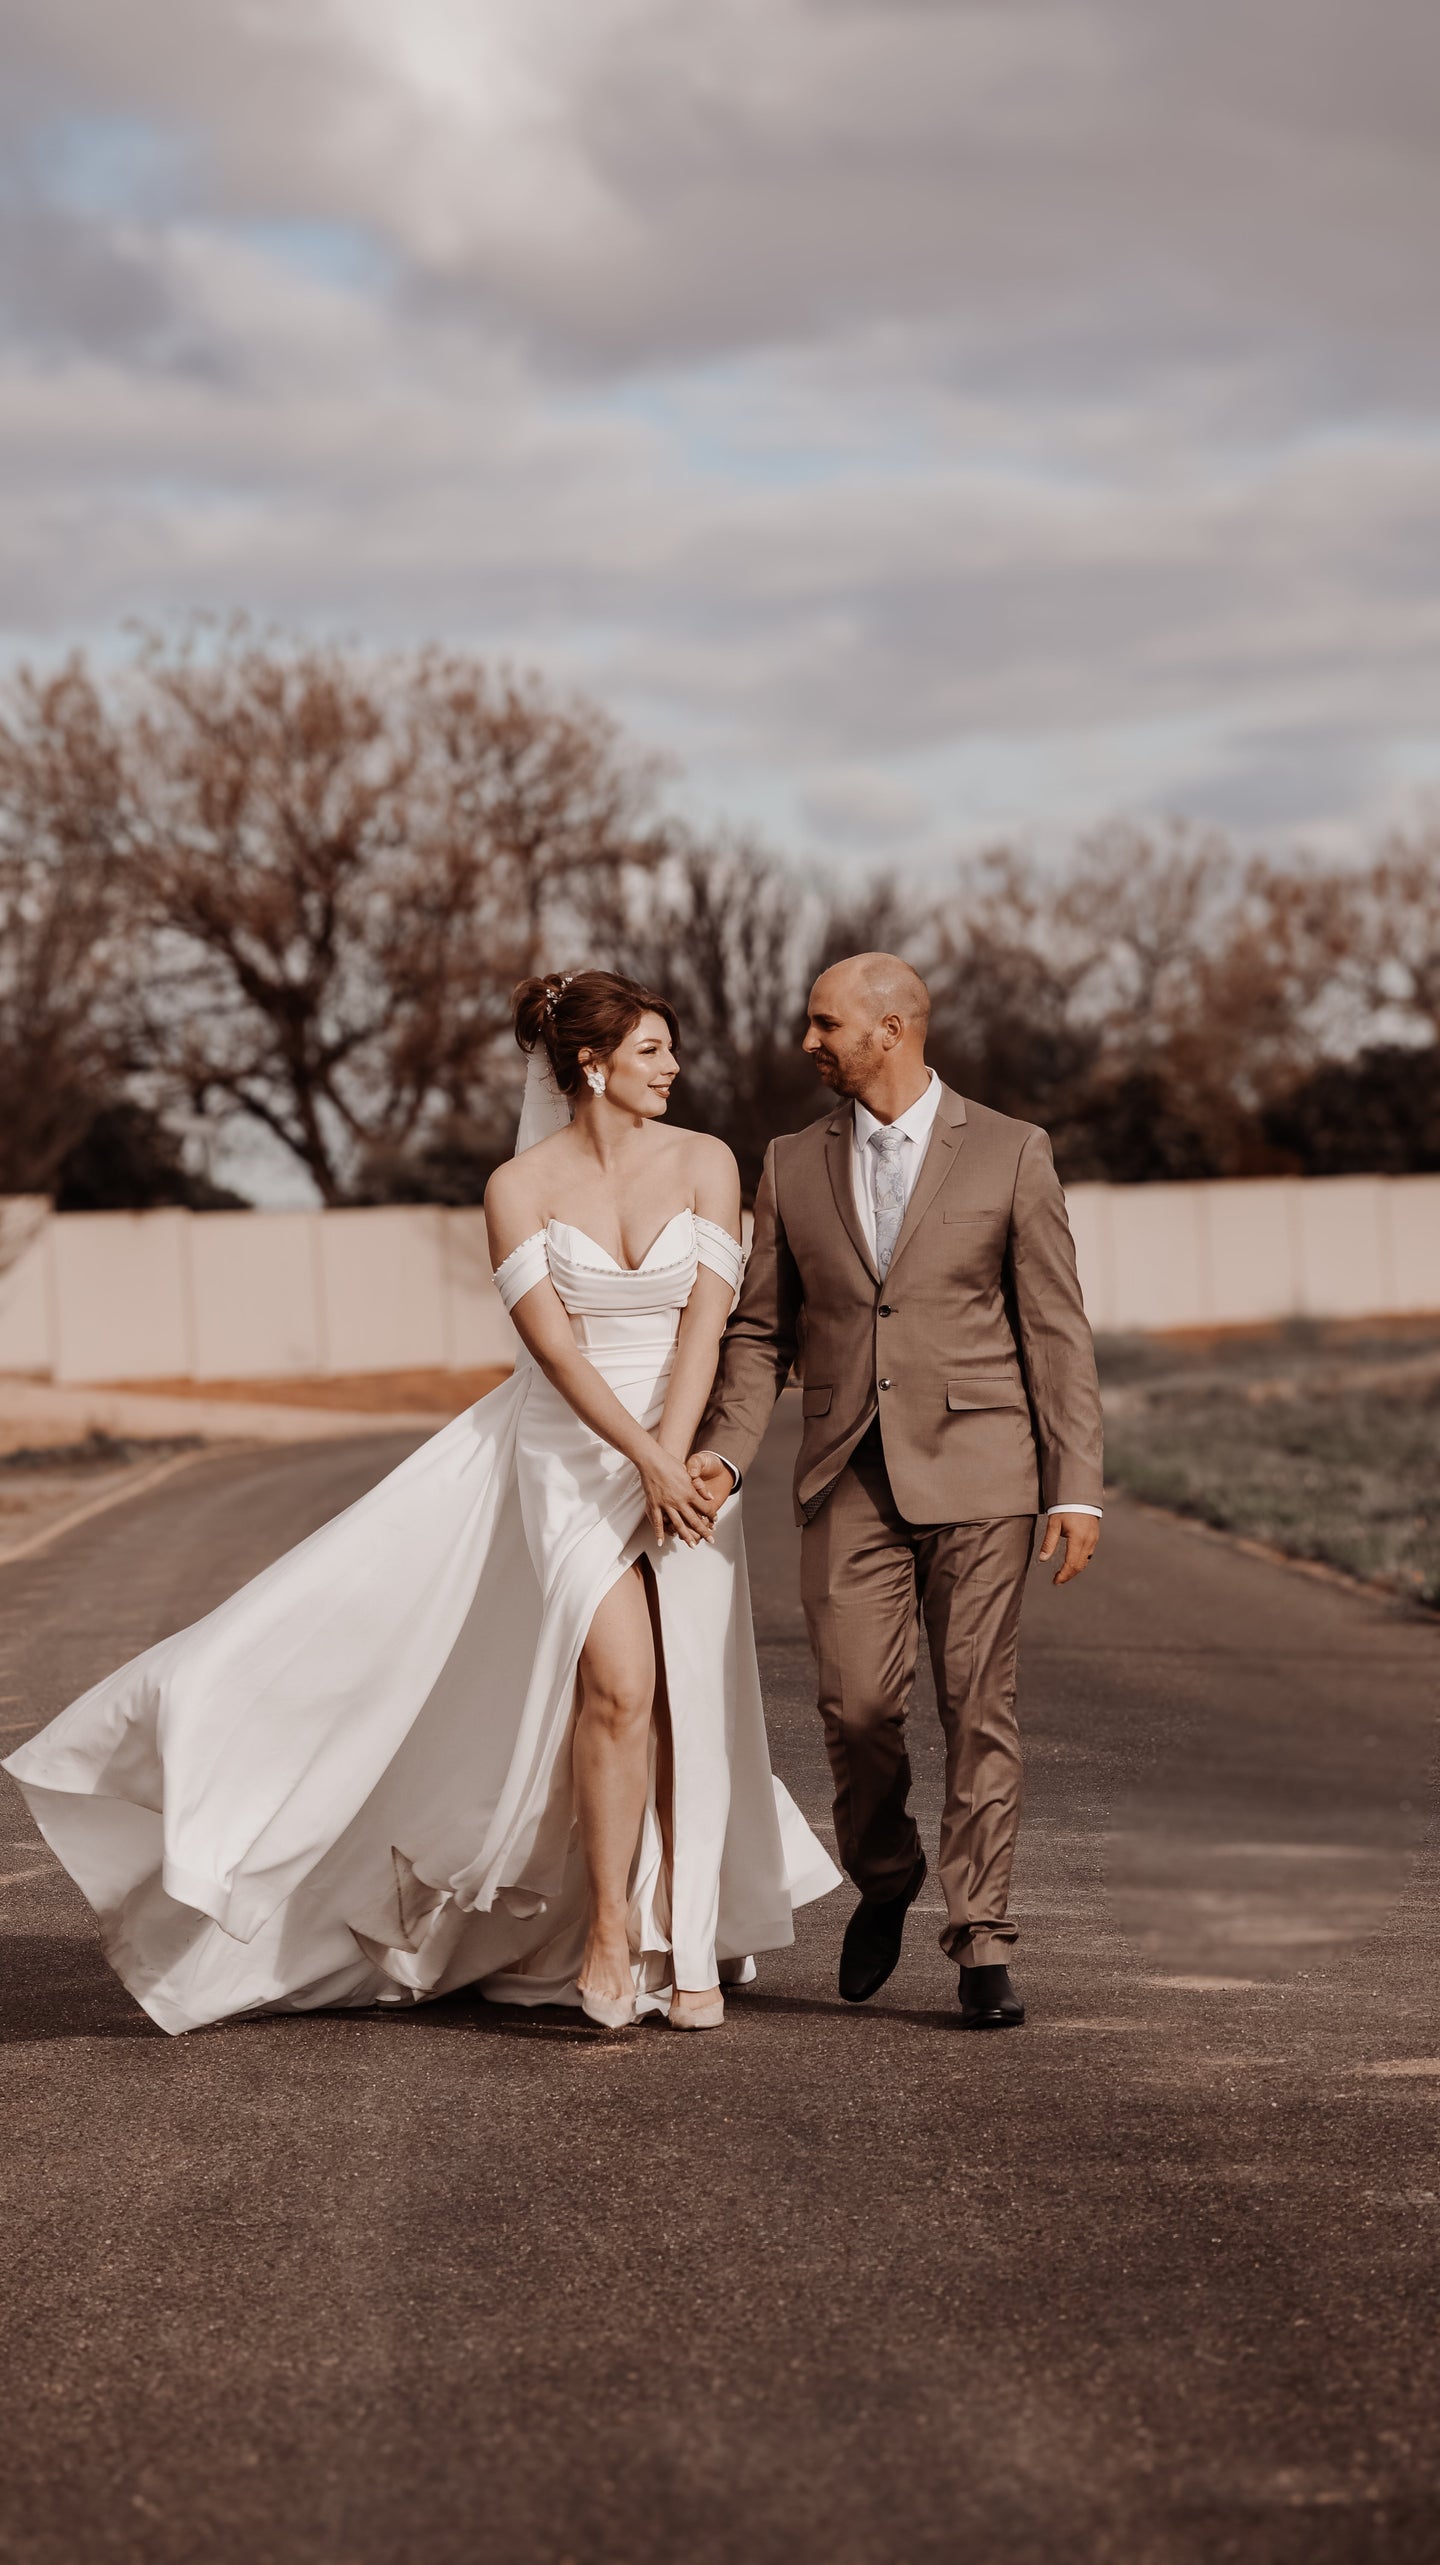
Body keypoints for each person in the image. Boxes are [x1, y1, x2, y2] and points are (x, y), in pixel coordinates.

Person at [2, 971, 839, 2037]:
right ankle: (610, 1934)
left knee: (691, 1694)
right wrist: (635, 1459)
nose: (673, 1069)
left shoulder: (709, 1163)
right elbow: (554, 1355)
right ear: (591, 1064)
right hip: (568, 1456)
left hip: (673, 1450)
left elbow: (708, 1328)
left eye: (670, 1050)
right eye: (652, 1051)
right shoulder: (517, 1188)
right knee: (623, 1686)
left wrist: (673, 1462)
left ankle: (693, 1931)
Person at [689, 952, 1103, 2030]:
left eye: (825, 1024)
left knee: (979, 1706)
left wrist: (1077, 1488)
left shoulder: (1013, 1152)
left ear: (890, 1029)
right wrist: (726, 1455)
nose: (809, 1042)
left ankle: (982, 1939)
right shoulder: (787, 1161)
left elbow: (1055, 1329)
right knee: (857, 1707)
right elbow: (760, 1331)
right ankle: (886, 1873)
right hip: (844, 1474)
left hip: (985, 1472)